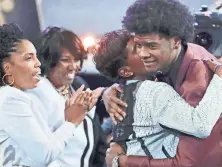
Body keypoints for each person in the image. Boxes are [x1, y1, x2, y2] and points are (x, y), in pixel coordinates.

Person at [103, 0, 222, 167]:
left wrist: (123, 161)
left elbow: (188, 163)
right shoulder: (164, 62)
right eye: (138, 45)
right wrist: (109, 92)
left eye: (151, 46)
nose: (143, 54)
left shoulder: (198, 81)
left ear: (175, 42)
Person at [0, 23, 92, 167]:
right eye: (28, 58)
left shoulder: (17, 96)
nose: (38, 63)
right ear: (7, 68)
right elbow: (45, 155)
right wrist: (71, 122)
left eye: (36, 57)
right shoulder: (11, 98)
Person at [30, 26, 107, 167]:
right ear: (49, 61)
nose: (73, 66)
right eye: (65, 60)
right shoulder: (35, 93)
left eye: (77, 59)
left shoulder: (78, 86)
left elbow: (98, 143)